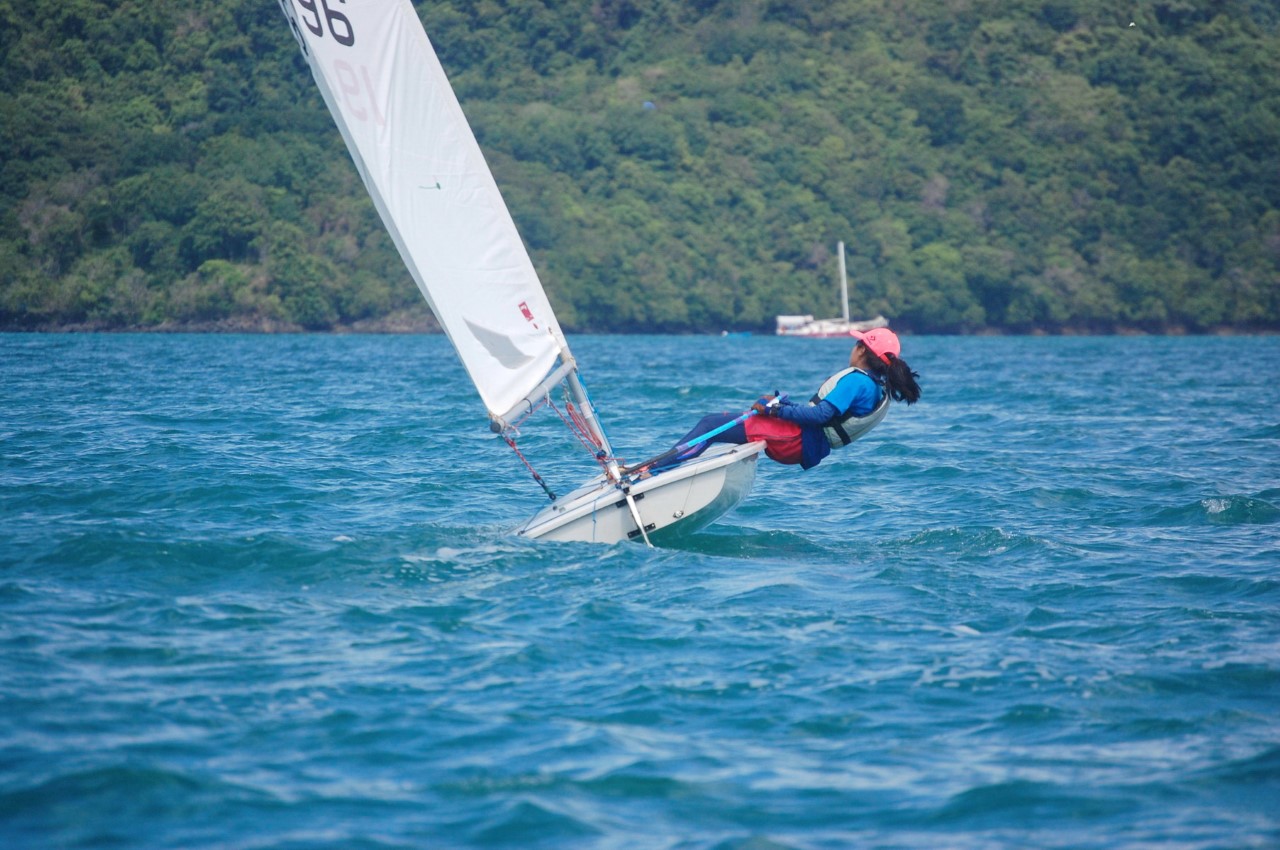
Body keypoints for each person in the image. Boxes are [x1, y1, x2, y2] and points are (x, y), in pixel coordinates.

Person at [659, 328, 921, 471]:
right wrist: (780, 406)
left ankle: (654, 470)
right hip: (806, 442)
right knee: (721, 424)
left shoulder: (857, 381)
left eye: (857, 344)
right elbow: (824, 415)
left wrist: (775, 411)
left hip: (797, 440)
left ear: (862, 350)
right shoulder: (877, 387)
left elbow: (820, 416)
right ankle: (668, 466)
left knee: (710, 426)